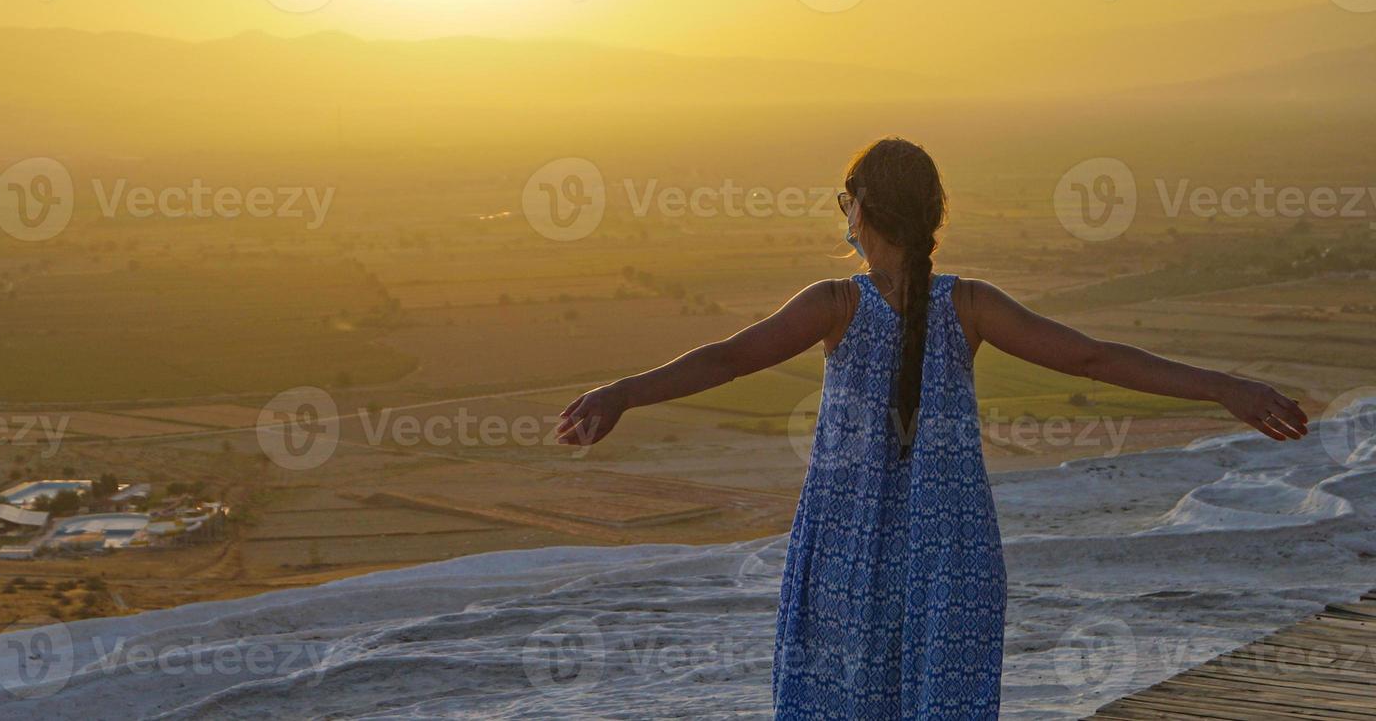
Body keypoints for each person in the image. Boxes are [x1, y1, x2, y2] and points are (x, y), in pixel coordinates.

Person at [554, 136, 1309, 719]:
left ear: (863, 209)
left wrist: (623, 392)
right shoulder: (970, 304)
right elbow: (1092, 358)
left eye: (843, 198)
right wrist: (1223, 388)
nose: (840, 212)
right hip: (950, 555)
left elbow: (725, 360)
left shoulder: (834, 306)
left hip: (849, 551)